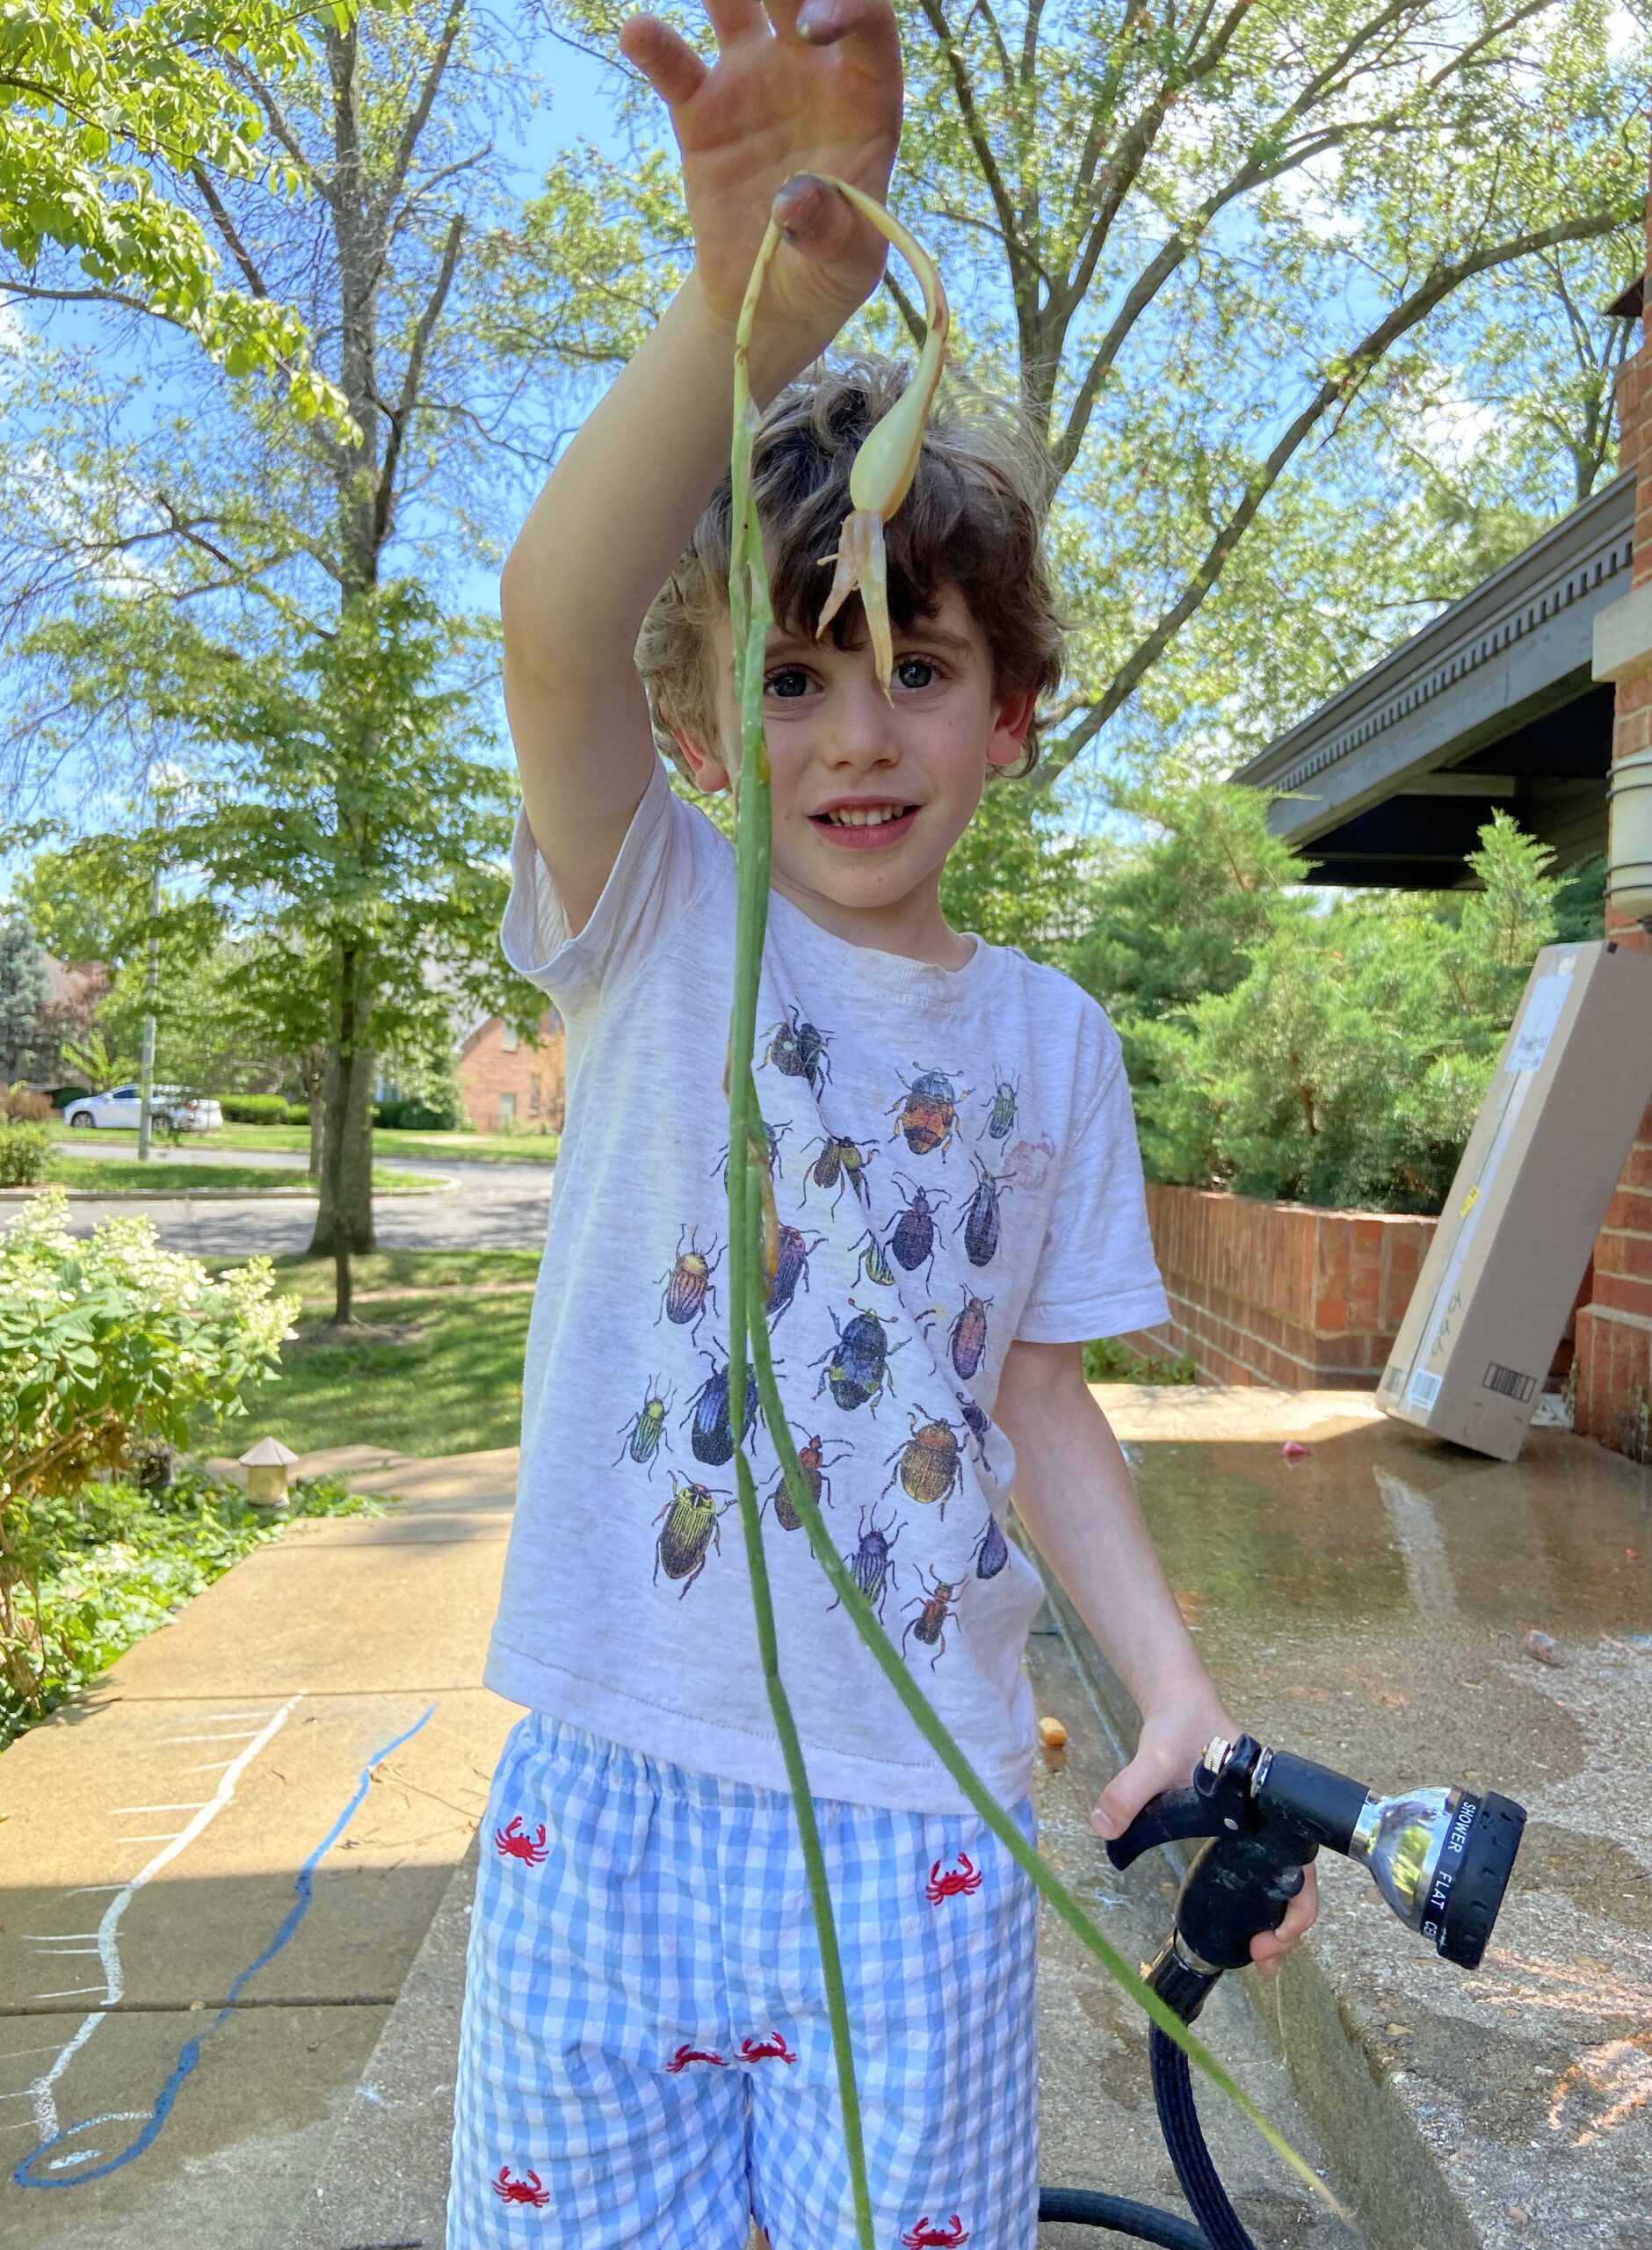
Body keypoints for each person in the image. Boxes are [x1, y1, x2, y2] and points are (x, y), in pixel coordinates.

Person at [448, 1, 1316, 2241]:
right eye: (796, 666)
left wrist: (1177, 1686)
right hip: (612, 1794)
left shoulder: (1050, 1040)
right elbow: (550, 624)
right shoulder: (655, 905)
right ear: (711, 722)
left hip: (906, 1814)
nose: (857, 728)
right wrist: (754, 310)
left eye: (916, 667)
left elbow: (1035, 1400)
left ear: (1012, 712)